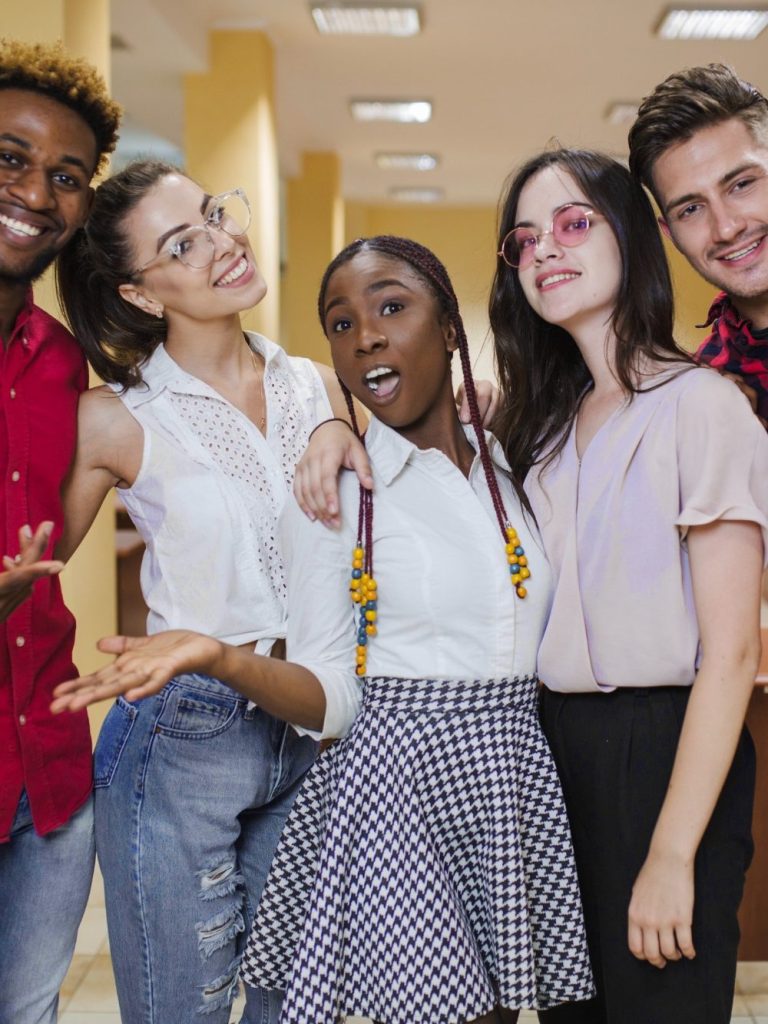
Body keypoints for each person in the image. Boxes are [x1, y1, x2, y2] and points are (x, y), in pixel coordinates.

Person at [52, 234, 596, 1022]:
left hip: (512, 776)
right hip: (402, 792)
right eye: (340, 324)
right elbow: (335, 699)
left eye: (391, 307)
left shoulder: (511, 460)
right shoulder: (336, 496)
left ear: (448, 329)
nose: (366, 335)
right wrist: (220, 657)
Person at [283, 151, 768, 1023]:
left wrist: (670, 853)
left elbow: (733, 654)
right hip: (546, 755)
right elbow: (392, 394)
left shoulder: (704, 405)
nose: (546, 248)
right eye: (523, 238)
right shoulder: (535, 425)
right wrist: (329, 424)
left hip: (662, 752)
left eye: (575, 223)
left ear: (634, 236)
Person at [0, 38, 120, 1024]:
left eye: (67, 176)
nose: (37, 190)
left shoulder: (60, 363)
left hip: (49, 771)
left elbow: (53, 551)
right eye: (11, 157)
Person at [628, 63, 768, 428]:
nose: (726, 228)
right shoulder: (700, 393)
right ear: (670, 234)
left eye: (741, 185)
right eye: (691, 209)